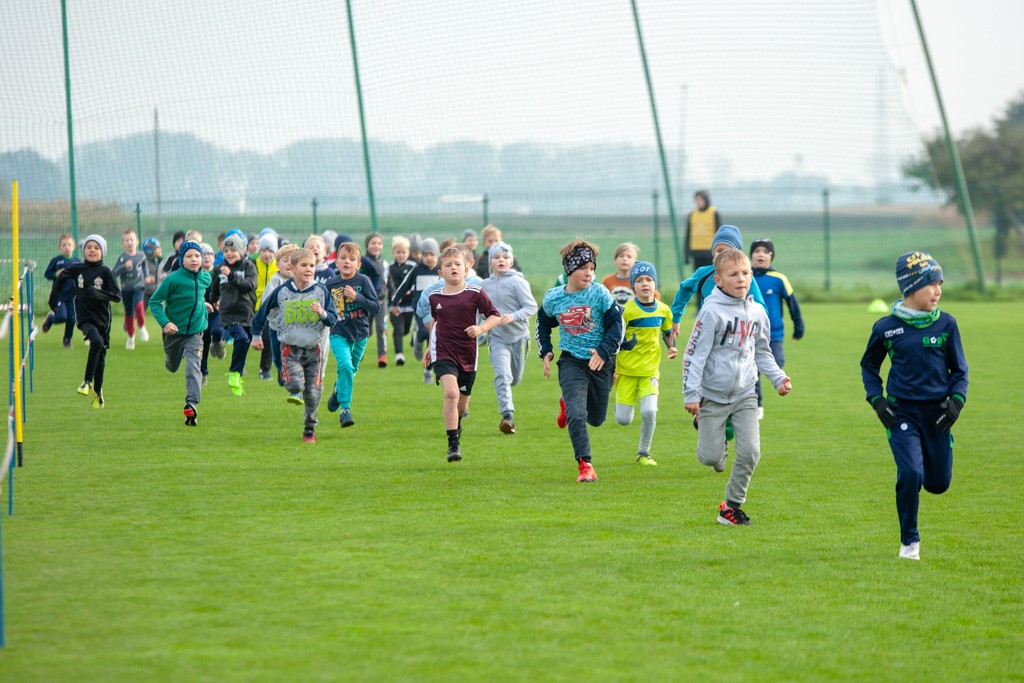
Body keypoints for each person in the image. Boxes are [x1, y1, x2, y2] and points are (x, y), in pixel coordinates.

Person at [860, 252, 968, 561]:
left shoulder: (947, 324)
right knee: (910, 473)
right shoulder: (885, 328)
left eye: (940, 284)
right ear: (911, 287)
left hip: (938, 417)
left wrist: (956, 402)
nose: (938, 291)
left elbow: (960, 370)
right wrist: (877, 401)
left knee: (938, 484)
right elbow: (869, 367)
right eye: (931, 284)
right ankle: (910, 542)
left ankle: (939, 453)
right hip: (901, 413)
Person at [682, 248, 792, 526]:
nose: (741, 279)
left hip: (745, 393)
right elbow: (695, 355)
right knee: (709, 458)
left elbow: (763, 352)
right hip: (712, 396)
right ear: (719, 280)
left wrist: (778, 378)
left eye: (745, 273)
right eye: (733, 274)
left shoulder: (757, 312)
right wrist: (691, 394)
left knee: (751, 452)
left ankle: (731, 507)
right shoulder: (710, 312)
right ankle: (702, 422)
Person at [536, 238, 628, 483]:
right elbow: (542, 323)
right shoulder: (554, 297)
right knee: (578, 414)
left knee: (596, 419)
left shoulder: (599, 293)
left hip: (601, 361)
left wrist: (602, 351)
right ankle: (585, 465)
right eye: (583, 268)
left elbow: (617, 326)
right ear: (569, 270)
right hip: (571, 363)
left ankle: (566, 403)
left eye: (592, 268)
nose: (589, 273)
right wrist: (545, 350)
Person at [251, 248, 339, 443]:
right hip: (290, 348)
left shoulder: (321, 291)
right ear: (292, 268)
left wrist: (322, 313)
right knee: (295, 384)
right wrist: (256, 335)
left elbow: (333, 319)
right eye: (304, 265)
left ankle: (309, 429)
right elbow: (262, 312)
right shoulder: (282, 292)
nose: (309, 269)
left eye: (312, 266)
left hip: (314, 350)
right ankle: (287, 377)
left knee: (313, 393)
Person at [424, 246, 501, 463]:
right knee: (450, 393)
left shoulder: (475, 293)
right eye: (448, 265)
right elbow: (435, 323)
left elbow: (494, 316)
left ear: (466, 269)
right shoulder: (434, 296)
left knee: (462, 405)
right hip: (444, 352)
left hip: (468, 355)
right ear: (441, 273)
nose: (453, 268)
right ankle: (453, 444)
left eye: (458, 264)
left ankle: (457, 426)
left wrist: (480, 329)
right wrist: (430, 348)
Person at [47, 234, 121, 408]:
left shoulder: (106, 272)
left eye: (96, 247)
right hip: (84, 317)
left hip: (103, 320)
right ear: (83, 250)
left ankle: (98, 392)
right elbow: (60, 277)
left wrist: (97, 294)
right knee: (95, 340)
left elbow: (117, 296)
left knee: (101, 354)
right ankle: (87, 381)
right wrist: (53, 302)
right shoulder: (77, 268)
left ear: (102, 251)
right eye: (89, 247)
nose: (92, 250)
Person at [614, 261, 676, 466]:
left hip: (650, 371)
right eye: (639, 280)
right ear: (633, 286)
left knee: (649, 411)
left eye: (649, 279)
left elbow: (668, 333)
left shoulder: (664, 310)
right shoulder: (626, 311)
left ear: (655, 283)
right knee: (623, 419)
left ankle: (644, 453)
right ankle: (622, 409)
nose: (645, 284)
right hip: (626, 372)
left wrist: (671, 347)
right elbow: (615, 338)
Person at [669, 225, 765, 346]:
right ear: (713, 251)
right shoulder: (703, 274)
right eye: (719, 251)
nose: (722, 256)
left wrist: (753, 328)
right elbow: (685, 288)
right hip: (707, 330)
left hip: (737, 334)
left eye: (728, 252)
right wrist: (676, 317)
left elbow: (760, 308)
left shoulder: (744, 278)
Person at [148, 240, 211, 426]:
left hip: (196, 332)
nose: (194, 260)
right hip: (174, 332)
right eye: (189, 256)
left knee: (193, 369)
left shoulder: (205, 277)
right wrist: (165, 323)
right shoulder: (172, 280)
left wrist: (203, 304)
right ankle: (170, 359)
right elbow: (154, 302)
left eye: (197, 256)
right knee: (173, 365)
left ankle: (191, 404)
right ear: (182, 259)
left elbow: (198, 295)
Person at [480, 241, 537, 434]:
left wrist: (512, 317)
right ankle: (508, 416)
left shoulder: (518, 282)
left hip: (519, 337)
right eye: (496, 257)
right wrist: (480, 325)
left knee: (514, 379)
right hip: (497, 338)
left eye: (505, 257)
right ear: (491, 262)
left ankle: (508, 407)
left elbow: (531, 307)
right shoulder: (484, 285)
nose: (501, 260)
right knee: (502, 375)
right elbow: (479, 310)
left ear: (511, 262)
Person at [324, 241, 380, 426]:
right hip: (338, 333)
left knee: (351, 370)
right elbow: (325, 309)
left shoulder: (363, 281)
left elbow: (375, 307)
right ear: (336, 262)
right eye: (343, 258)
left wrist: (357, 297)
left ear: (358, 264)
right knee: (346, 367)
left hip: (361, 334)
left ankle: (337, 392)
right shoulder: (330, 284)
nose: (347, 261)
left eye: (352, 258)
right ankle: (345, 411)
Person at [750, 237, 804, 420]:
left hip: (774, 333)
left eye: (765, 252)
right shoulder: (744, 276)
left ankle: (773, 381)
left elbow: (792, 304)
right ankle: (756, 405)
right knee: (751, 370)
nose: (761, 255)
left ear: (771, 257)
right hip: (750, 333)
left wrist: (799, 327)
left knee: (778, 361)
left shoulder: (779, 279)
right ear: (751, 255)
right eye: (757, 251)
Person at [218, 233, 258, 396]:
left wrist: (232, 275)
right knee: (241, 339)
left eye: (232, 250)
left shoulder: (248, 267)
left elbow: (250, 285)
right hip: (229, 313)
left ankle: (237, 374)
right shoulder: (220, 269)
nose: (229, 253)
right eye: (226, 250)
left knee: (245, 341)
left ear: (241, 251)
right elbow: (215, 286)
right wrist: (213, 300)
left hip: (246, 313)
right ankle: (234, 374)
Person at [260, 243, 299, 390]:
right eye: (286, 260)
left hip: (295, 329)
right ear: (277, 264)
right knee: (277, 356)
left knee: (294, 357)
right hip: (276, 327)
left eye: (293, 260)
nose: (289, 264)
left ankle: (294, 380)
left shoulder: (300, 282)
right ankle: (280, 370)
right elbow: (266, 302)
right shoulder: (275, 281)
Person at [112, 229, 150, 349]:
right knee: (129, 314)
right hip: (126, 289)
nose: (129, 242)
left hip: (139, 287)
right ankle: (130, 337)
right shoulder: (122, 258)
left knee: (138, 306)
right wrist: (124, 266)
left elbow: (144, 266)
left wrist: (147, 276)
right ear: (122, 244)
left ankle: (141, 327)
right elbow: (114, 273)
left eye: (132, 240)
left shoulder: (141, 255)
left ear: (137, 242)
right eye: (126, 240)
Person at [41, 233, 81, 349]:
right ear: (60, 247)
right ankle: (50, 319)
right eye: (64, 245)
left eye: (69, 244)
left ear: (73, 246)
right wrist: (56, 274)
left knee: (71, 319)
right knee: (62, 317)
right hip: (60, 296)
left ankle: (67, 341)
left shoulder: (77, 261)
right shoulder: (57, 261)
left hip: (72, 297)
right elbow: (47, 274)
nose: (66, 247)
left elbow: (83, 276)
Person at [254, 233, 279, 380]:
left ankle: (265, 369)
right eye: (263, 250)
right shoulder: (252, 264)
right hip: (252, 307)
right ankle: (239, 367)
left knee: (268, 338)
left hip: (270, 309)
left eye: (270, 251)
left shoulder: (278, 267)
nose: (267, 254)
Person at [387, 235, 416, 366]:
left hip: (409, 305)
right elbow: (386, 284)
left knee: (405, 330)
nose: (401, 255)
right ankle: (399, 355)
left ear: (408, 253)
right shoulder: (389, 268)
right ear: (393, 253)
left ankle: (413, 335)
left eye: (403, 252)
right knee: (398, 329)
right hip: (394, 305)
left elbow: (417, 281)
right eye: (398, 252)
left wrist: (411, 290)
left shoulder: (413, 267)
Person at [363, 232, 389, 367]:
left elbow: (387, 281)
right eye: (373, 243)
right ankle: (358, 354)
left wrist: (393, 296)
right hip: (366, 302)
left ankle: (382, 356)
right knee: (365, 329)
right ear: (367, 246)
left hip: (381, 302)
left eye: (379, 243)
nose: (376, 246)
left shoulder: (384, 263)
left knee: (381, 328)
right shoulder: (363, 262)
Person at [199, 243, 223, 385]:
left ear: (214, 257)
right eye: (203, 255)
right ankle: (203, 373)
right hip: (202, 314)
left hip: (217, 311)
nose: (206, 257)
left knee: (217, 330)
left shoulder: (218, 273)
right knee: (204, 344)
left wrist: (221, 300)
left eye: (209, 254)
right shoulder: (197, 276)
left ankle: (218, 342)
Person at [684, 189, 722, 271]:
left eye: (701, 199)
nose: (699, 202)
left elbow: (719, 233)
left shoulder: (713, 213)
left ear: (706, 199)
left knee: (711, 274)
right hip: (696, 252)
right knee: (698, 276)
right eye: (697, 200)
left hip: (710, 251)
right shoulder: (692, 214)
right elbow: (688, 235)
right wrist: (686, 254)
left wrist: (720, 251)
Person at [141, 236, 162, 309]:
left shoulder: (156, 262)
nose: (160, 249)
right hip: (145, 292)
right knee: (135, 313)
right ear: (149, 250)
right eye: (157, 248)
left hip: (153, 291)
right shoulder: (145, 262)